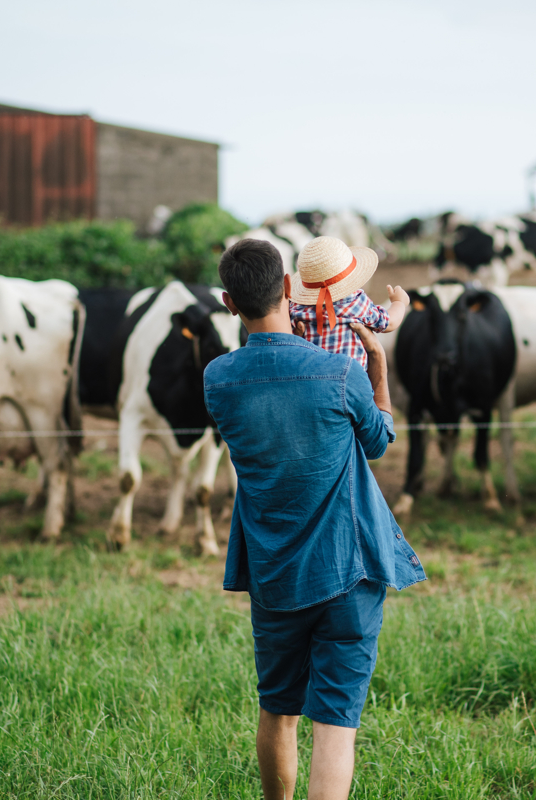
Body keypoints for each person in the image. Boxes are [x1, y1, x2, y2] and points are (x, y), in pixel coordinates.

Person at [204, 238, 425, 800]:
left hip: (274, 574)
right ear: (286, 287)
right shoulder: (337, 373)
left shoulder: (218, 380)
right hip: (348, 567)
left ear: (230, 303)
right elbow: (377, 443)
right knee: (335, 723)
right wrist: (377, 371)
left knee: (278, 709)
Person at [288, 236, 409, 370]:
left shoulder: (295, 308)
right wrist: (399, 302)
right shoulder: (357, 303)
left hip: (311, 380)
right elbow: (389, 323)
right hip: (351, 381)